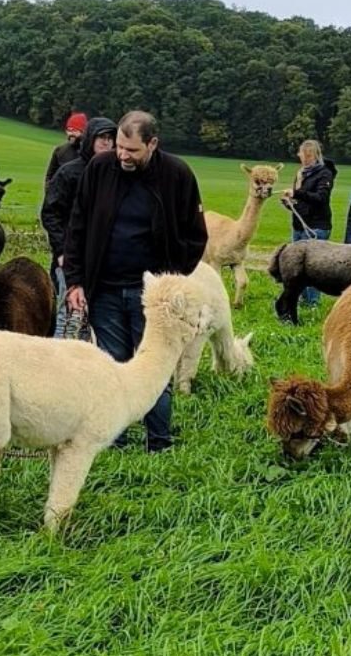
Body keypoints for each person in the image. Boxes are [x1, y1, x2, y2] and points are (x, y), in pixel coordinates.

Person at [62, 110, 208, 452]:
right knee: (113, 364)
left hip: (155, 297)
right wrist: (75, 282)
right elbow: (78, 227)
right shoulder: (99, 170)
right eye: (119, 147)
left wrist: (173, 282)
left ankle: (158, 441)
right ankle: (115, 439)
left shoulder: (177, 175)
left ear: (153, 144)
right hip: (105, 289)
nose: (123, 156)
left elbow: (195, 235)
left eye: (132, 150)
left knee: (155, 366)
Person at [40, 115, 115, 338]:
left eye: (111, 138)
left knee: (100, 312)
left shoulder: (115, 173)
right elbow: (50, 213)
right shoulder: (69, 173)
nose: (106, 143)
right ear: (90, 138)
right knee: (69, 311)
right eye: (102, 137)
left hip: (104, 257)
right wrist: (61, 250)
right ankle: (59, 362)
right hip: (72, 255)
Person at [281, 139, 337, 308]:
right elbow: (301, 201)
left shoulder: (324, 174)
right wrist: (289, 203)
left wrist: (296, 193)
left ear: (312, 155)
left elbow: (321, 198)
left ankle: (313, 303)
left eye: (305, 155)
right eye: (301, 154)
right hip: (299, 225)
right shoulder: (300, 174)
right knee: (297, 266)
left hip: (316, 226)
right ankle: (301, 300)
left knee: (313, 267)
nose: (301, 157)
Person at [45, 112, 88, 185]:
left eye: (74, 130)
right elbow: (50, 176)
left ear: (83, 132)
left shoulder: (88, 152)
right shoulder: (60, 151)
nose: (70, 134)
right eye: (69, 130)